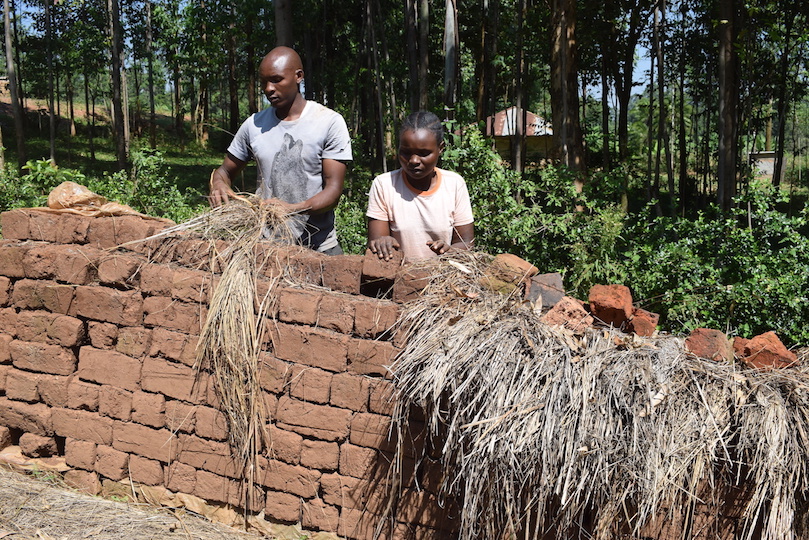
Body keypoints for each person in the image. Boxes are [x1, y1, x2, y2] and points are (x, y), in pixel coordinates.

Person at [208, 46, 352, 255]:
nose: (268, 88)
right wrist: (218, 184)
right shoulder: (254, 125)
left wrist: (293, 209)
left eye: (276, 80)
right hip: (266, 249)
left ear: (298, 76)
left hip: (320, 248)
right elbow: (224, 172)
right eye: (264, 82)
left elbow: (333, 191)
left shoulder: (328, 122)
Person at [366, 111, 474, 262]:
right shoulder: (384, 185)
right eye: (406, 152)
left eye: (424, 153)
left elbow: (467, 243)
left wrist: (450, 251)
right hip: (398, 279)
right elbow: (377, 242)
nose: (414, 160)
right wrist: (384, 242)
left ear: (440, 148)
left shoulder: (454, 184)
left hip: (442, 278)